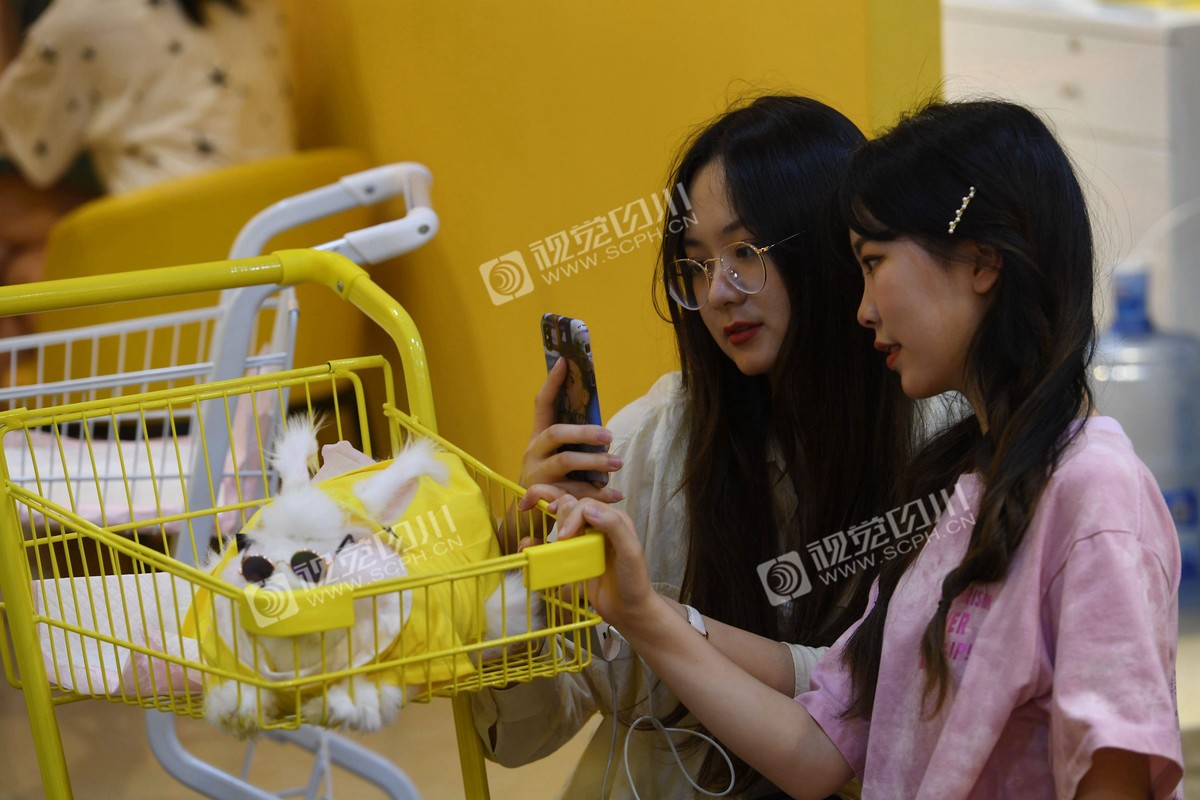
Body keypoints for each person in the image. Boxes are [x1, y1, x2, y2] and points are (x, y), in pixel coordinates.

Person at [548, 98, 1186, 799]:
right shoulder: (957, 485)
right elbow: (820, 747)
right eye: (698, 266)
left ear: (981, 260)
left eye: (874, 261)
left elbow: (1113, 775)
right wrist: (639, 610)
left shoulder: (1094, 492)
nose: (864, 307)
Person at [474, 95, 913, 798]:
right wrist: (519, 563)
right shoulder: (648, 442)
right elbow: (526, 734)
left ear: (832, 250)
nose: (719, 293)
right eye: (697, 265)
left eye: (745, 253)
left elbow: (886, 704)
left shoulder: (935, 433)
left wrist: (662, 621)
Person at [0, 0, 295, 335]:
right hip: (269, 255)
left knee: (22, 261)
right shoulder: (260, 6)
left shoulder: (84, 18)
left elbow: (20, 142)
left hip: (167, 266)